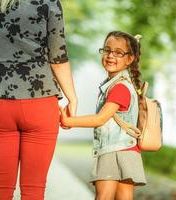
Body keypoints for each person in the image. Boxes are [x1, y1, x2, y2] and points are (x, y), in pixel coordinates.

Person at [0, 0, 77, 199]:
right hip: (40, 100)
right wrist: (72, 98)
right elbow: (57, 58)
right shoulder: (48, 3)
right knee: (33, 189)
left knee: (0, 187)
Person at [60, 30, 146, 200]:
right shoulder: (120, 85)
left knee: (103, 197)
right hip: (129, 151)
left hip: (114, 150)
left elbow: (100, 119)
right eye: (107, 50)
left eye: (118, 52)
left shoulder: (119, 88)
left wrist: (69, 120)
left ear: (130, 58)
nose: (110, 55)